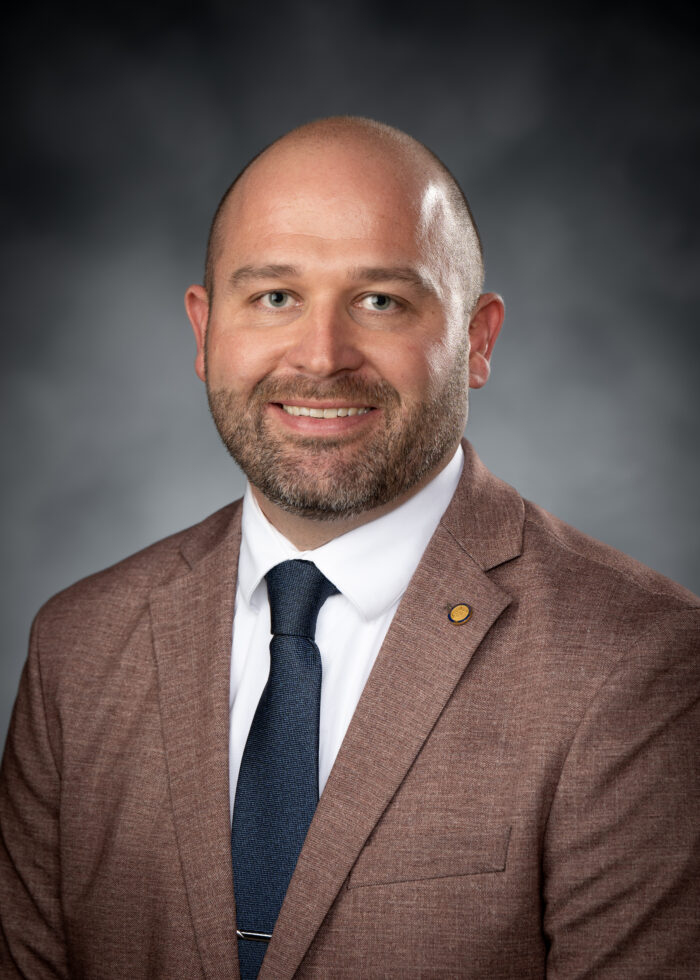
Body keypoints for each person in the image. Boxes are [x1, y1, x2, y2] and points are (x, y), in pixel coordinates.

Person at [0, 116, 698, 980]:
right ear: (203, 332)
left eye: (381, 301)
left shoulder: (636, 661)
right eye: (275, 297)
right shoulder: (78, 646)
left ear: (477, 341)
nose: (322, 357)